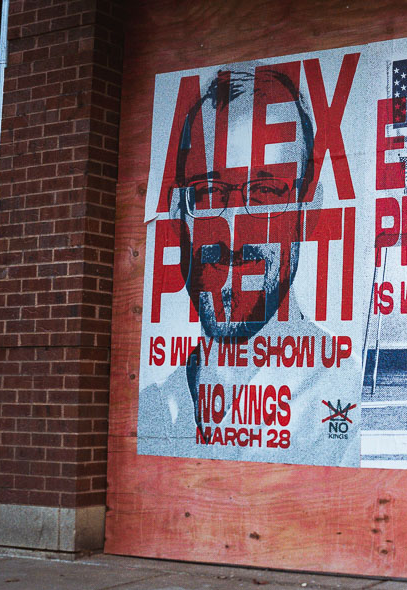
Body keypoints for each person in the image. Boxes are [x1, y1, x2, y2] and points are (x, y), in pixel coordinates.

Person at [137, 66, 331, 457]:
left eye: (263, 193)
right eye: (208, 194)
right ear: (179, 216)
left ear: (308, 211)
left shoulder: (342, 404)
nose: (231, 232)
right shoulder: (154, 411)